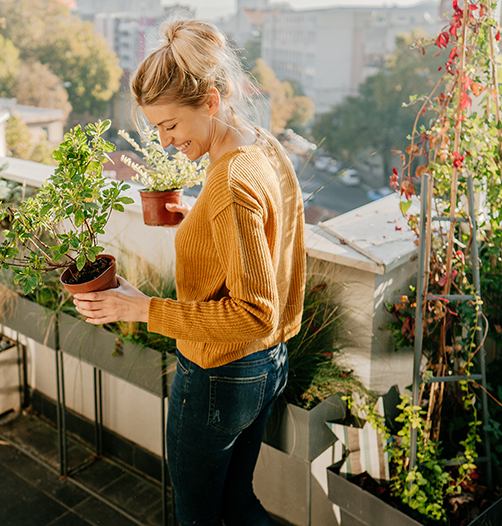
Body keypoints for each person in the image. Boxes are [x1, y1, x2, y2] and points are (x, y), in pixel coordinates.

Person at [72, 18, 306, 526]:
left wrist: (139, 308)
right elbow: (264, 230)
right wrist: (196, 217)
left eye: (171, 125)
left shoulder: (231, 184)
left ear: (212, 102)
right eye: (156, 129)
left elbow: (252, 314)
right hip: (267, 366)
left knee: (197, 517)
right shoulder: (259, 144)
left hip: (221, 373)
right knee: (237, 504)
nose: (164, 140)